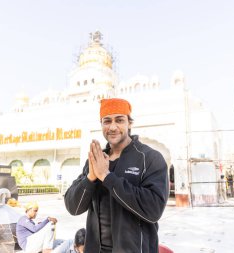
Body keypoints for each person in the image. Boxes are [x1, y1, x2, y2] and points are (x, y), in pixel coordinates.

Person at [64, 98, 169, 252]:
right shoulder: (96, 160)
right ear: (101, 124)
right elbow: (73, 207)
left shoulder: (149, 158)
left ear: (129, 123)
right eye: (107, 121)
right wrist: (91, 178)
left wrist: (107, 177)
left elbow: (153, 209)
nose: (113, 127)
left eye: (119, 120)